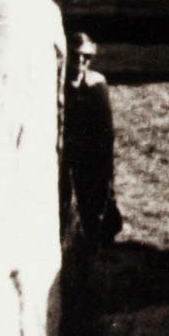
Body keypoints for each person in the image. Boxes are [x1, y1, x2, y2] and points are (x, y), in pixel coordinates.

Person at [64, 32, 123, 245]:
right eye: (76, 55)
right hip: (66, 152)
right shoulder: (59, 84)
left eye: (86, 56)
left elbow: (106, 130)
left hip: (90, 153)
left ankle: (100, 238)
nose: (81, 61)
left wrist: (104, 162)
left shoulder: (97, 84)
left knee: (97, 199)